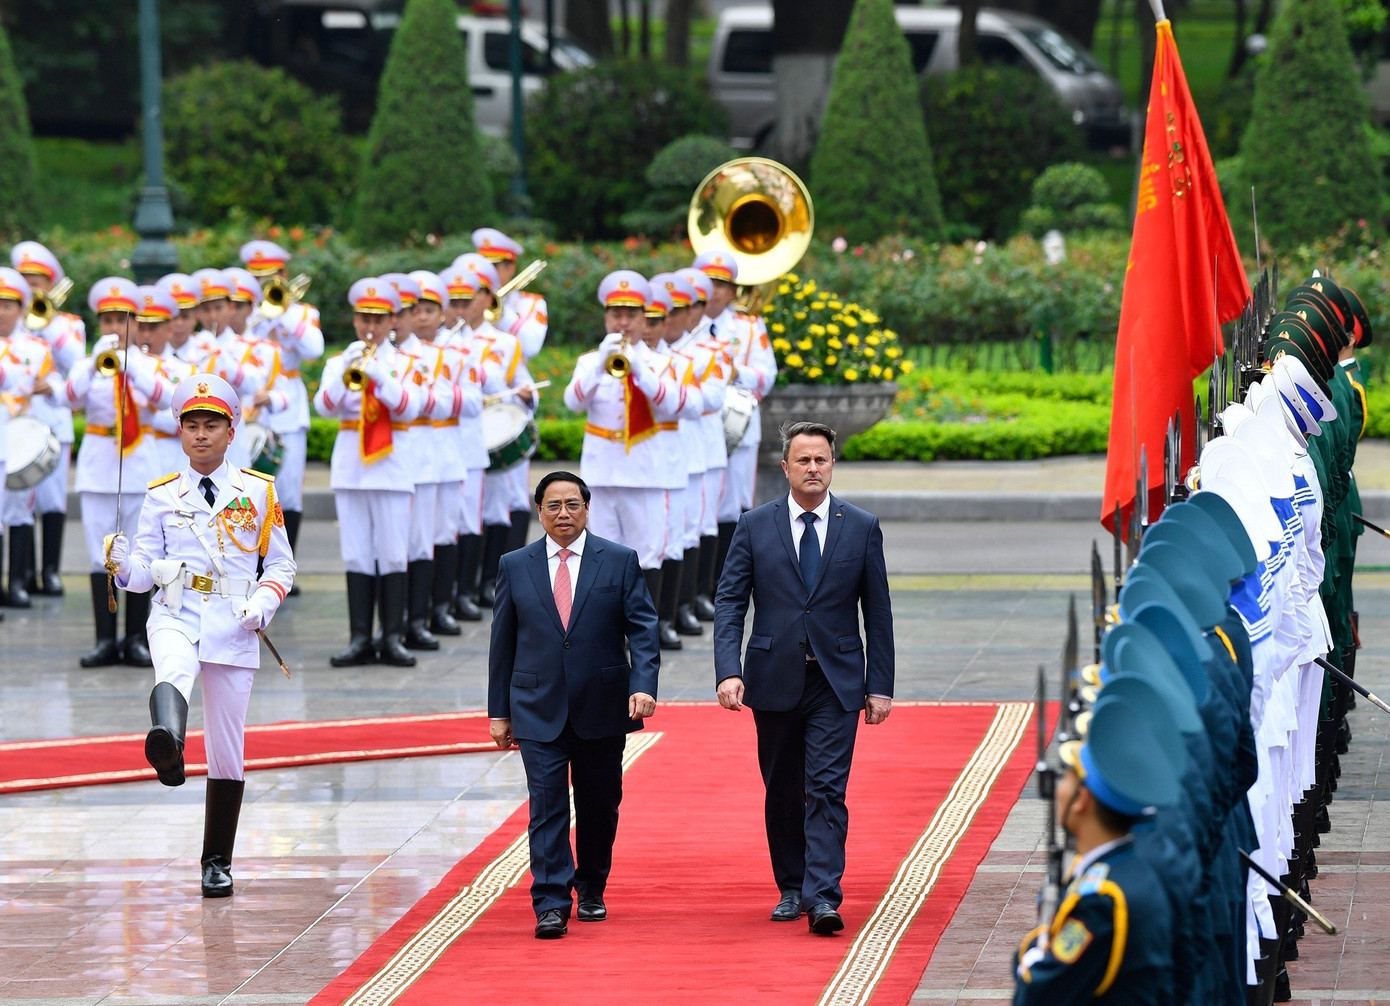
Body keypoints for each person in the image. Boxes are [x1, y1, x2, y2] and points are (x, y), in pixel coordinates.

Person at [106, 374, 295, 898]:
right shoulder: (162, 495)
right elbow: (144, 571)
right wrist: (123, 567)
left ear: (231, 432)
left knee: (229, 747)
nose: (201, 435)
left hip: (235, 619)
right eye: (192, 425)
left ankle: (217, 860)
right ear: (180, 432)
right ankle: (167, 745)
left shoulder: (258, 490)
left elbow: (281, 563)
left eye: (212, 425)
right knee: (173, 669)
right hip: (176, 609)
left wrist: (264, 603)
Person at [713, 420, 895, 933]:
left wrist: (879, 684)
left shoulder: (860, 526)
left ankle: (823, 896)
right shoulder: (754, 525)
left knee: (827, 788)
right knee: (782, 787)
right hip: (772, 678)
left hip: (836, 682)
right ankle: (791, 887)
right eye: (804, 460)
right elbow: (729, 602)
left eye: (822, 459)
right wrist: (729, 669)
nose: (813, 468)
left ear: (832, 465)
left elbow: (877, 612)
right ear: (786, 467)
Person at [488, 470, 660, 939]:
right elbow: (501, 643)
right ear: (539, 511)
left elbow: (642, 629)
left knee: (599, 803)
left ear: (587, 508)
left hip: (603, 706)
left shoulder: (619, 560)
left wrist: (643, 685)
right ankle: (550, 901)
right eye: (553, 506)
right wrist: (498, 712)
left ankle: (592, 886)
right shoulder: (515, 564)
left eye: (572, 505)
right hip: (535, 706)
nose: (563, 514)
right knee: (546, 806)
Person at [1013, 679, 1183, 1005]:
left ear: (1083, 800)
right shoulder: (1137, 863)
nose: (1059, 786)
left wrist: (1034, 950)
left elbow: (1037, 991)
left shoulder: (1102, 901)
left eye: (1067, 775)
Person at [313, 278, 425, 667]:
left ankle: (392, 637)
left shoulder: (408, 362)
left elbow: (411, 407)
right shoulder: (338, 361)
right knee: (357, 555)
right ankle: (360, 637)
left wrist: (378, 374)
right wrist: (349, 368)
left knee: (393, 554)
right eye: (364, 318)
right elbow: (325, 406)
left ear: (393, 319)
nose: (370, 327)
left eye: (378, 319)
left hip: (392, 468)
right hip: (352, 469)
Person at [64, 277, 175, 667]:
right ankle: (104, 640)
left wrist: (132, 368)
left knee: (140, 552)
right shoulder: (88, 364)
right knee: (101, 555)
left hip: (140, 463)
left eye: (121, 319)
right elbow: (69, 397)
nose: (114, 327)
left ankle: (135, 639)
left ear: (133, 321)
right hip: (99, 465)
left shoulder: (148, 364)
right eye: (108, 320)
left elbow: (165, 400)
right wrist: (95, 365)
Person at [10, 241, 85, 598]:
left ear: (49, 281)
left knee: (52, 499)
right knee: (19, 498)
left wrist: (47, 320)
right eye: (24, 279)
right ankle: (20, 574)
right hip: (14, 423)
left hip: (52, 420)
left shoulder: (68, 324)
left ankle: (50, 571)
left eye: (35, 279)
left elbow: (75, 366)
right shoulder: (10, 321)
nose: (30, 285)